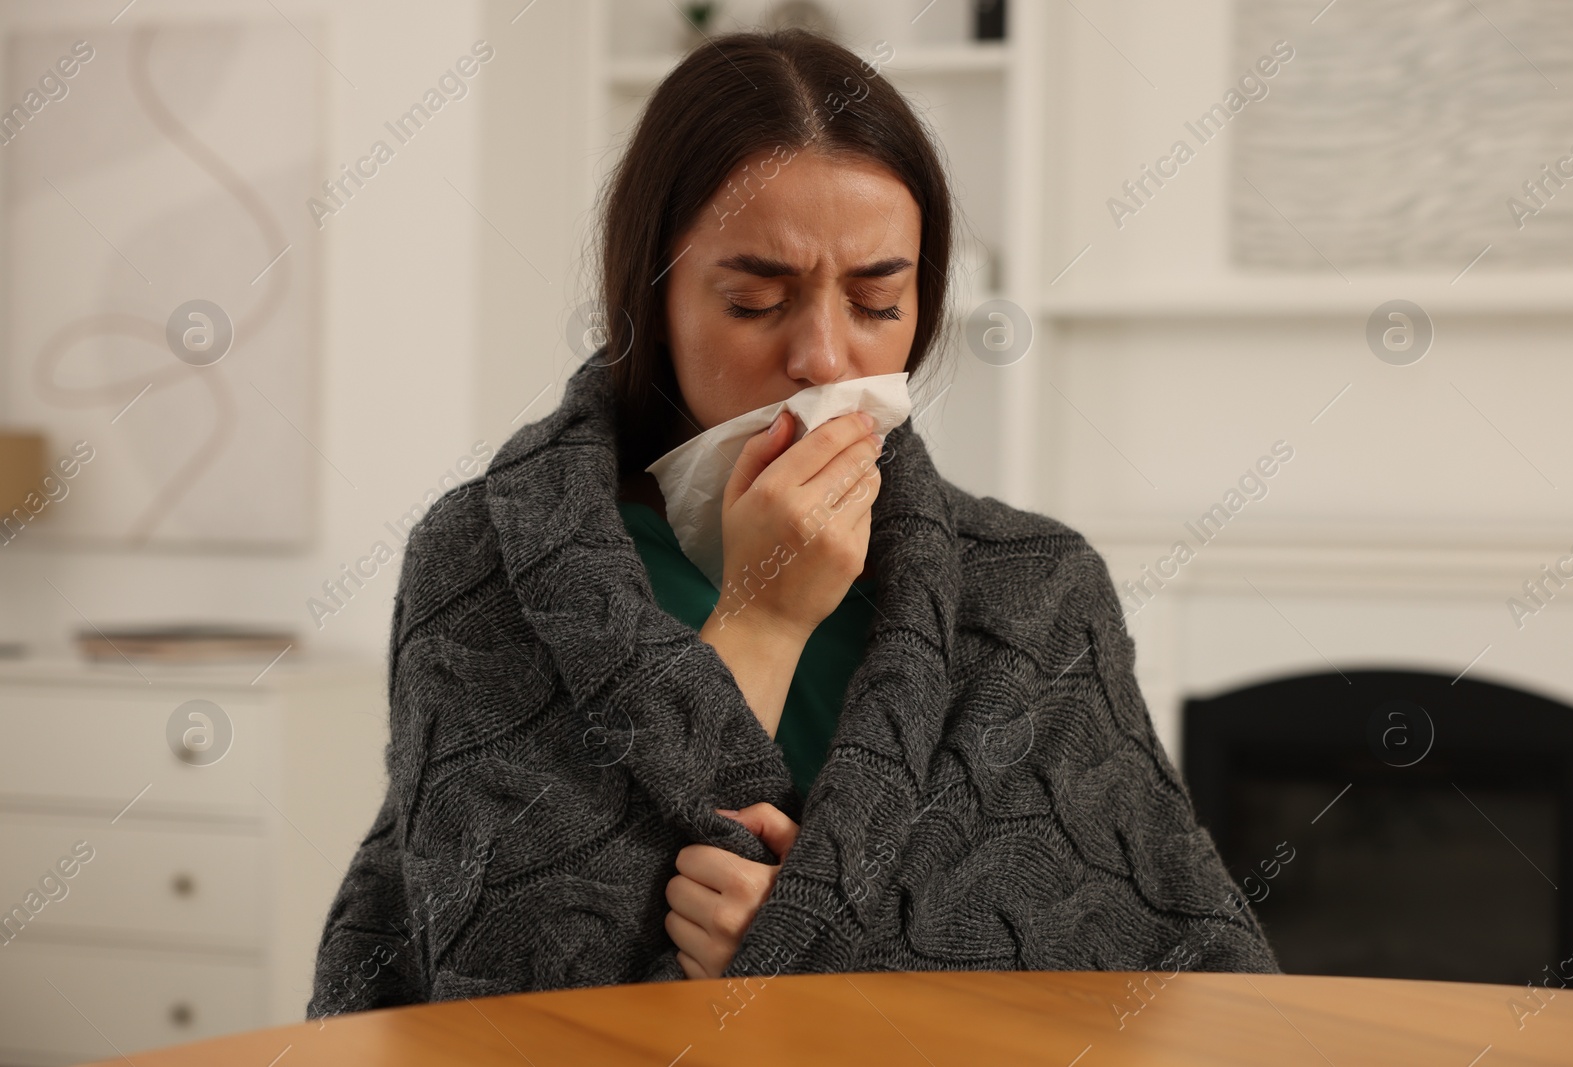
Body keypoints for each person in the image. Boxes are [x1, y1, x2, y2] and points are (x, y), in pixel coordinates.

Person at [308, 28, 1279, 1019]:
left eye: (877, 300)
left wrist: (799, 959)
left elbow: (1166, 985)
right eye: (754, 299)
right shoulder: (482, 561)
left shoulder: (1034, 591)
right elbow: (507, 994)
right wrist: (761, 620)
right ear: (649, 298)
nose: (823, 356)